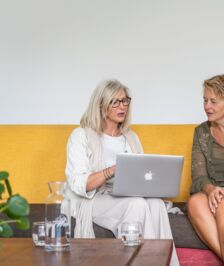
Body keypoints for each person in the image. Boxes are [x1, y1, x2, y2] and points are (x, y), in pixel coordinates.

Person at [63, 79, 179, 265]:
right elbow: (80, 184)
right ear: (101, 105)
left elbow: (141, 176)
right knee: (137, 205)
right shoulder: (81, 136)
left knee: (156, 203)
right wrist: (112, 171)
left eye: (125, 101)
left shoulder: (131, 137)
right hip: (92, 199)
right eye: (115, 102)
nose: (122, 106)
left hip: (122, 195)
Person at [187, 74, 224, 261]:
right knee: (194, 202)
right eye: (204, 100)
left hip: (222, 201)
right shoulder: (201, 132)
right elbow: (199, 177)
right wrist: (211, 190)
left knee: (223, 206)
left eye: (213, 101)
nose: (207, 106)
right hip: (213, 194)